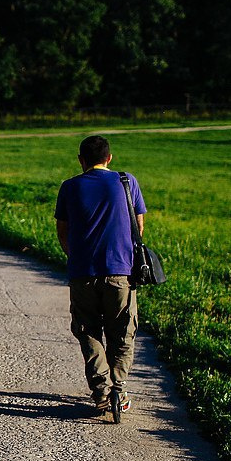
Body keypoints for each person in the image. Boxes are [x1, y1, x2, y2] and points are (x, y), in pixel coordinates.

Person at [54, 135, 147, 414]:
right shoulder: (127, 181)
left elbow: (63, 232)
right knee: (122, 332)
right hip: (120, 271)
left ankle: (102, 392)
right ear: (109, 158)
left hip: (82, 272)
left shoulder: (69, 186)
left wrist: (76, 257)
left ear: (81, 160)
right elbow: (139, 226)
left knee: (88, 331)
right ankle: (119, 388)